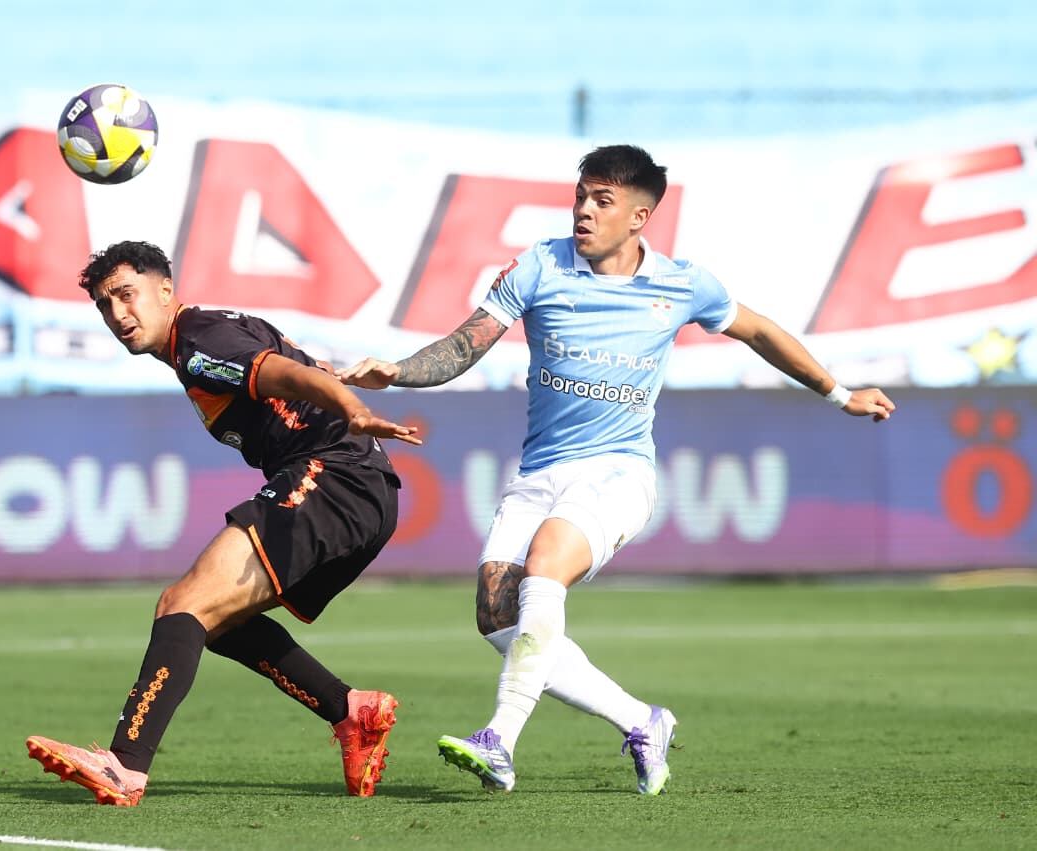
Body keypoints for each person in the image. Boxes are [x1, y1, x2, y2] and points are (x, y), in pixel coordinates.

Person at [338, 144, 896, 796]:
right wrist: (398, 372)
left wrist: (839, 392)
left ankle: (499, 741)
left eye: (602, 200)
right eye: (580, 195)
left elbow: (760, 331)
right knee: (498, 616)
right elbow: (467, 343)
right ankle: (642, 720)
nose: (583, 210)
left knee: (546, 564)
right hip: (541, 469)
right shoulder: (540, 265)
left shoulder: (682, 283)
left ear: (639, 217)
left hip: (619, 473)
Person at [26, 240, 421, 805]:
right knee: (220, 623)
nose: (118, 315)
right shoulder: (209, 334)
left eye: (127, 295)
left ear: (166, 290)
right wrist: (336, 394)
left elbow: (284, 374)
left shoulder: (198, 344)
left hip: (334, 477)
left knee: (182, 604)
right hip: (357, 488)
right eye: (105, 305)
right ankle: (349, 711)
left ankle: (125, 763)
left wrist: (350, 407)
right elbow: (295, 365)